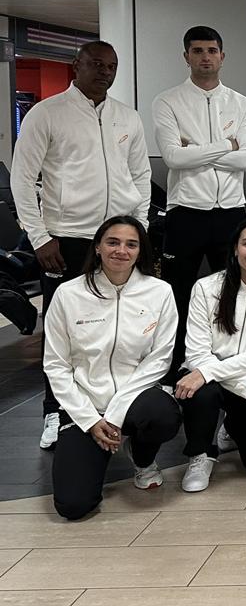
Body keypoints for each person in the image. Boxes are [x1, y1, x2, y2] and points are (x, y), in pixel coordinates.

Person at [11, 40, 151, 451]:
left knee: (121, 322)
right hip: (67, 239)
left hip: (119, 237)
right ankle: (56, 411)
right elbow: (23, 178)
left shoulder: (127, 116)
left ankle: (113, 404)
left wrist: (137, 228)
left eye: (111, 65)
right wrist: (39, 236)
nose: (104, 71)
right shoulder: (47, 113)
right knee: (63, 329)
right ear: (77, 65)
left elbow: (140, 175)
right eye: (95, 63)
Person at [44, 217, 179, 519]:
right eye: (113, 242)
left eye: (131, 244)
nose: (122, 250)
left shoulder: (159, 292)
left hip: (135, 400)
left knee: (164, 416)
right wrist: (91, 420)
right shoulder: (68, 294)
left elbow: (160, 359)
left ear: (140, 250)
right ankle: (96, 446)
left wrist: (115, 413)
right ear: (98, 247)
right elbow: (55, 364)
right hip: (85, 405)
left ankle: (143, 460)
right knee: (73, 505)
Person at [153, 25, 246, 371]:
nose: (205, 57)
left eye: (211, 51)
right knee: (178, 294)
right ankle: (175, 370)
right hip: (186, 211)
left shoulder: (240, 104)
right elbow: (173, 158)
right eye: (197, 51)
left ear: (222, 56)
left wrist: (196, 149)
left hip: (230, 212)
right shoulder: (168, 101)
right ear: (186, 57)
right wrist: (227, 146)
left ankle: (226, 365)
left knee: (231, 295)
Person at [175, 215, 246, 492]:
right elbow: (197, 353)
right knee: (200, 390)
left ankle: (233, 424)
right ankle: (201, 453)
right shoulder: (206, 288)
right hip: (215, 383)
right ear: (236, 247)